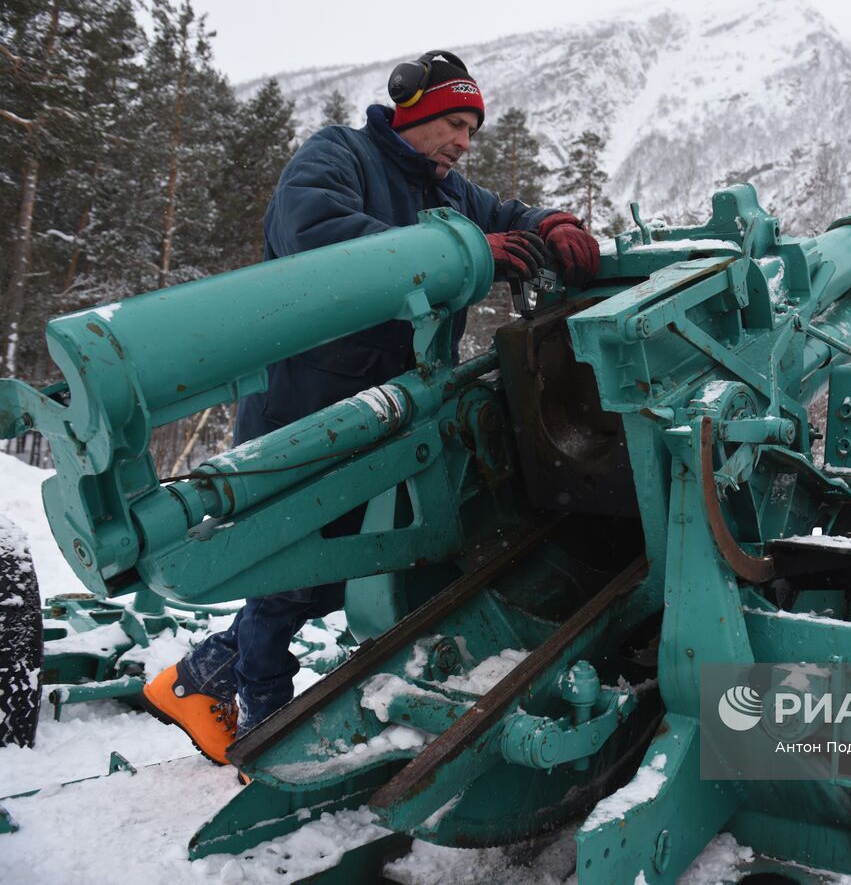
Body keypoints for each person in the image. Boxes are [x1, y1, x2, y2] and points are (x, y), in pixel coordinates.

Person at [139, 51, 600, 765]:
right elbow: (313, 234)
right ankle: (262, 714)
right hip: (311, 405)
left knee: (356, 565)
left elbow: (506, 215)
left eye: (473, 130)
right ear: (411, 111)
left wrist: (554, 221)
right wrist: (464, 248)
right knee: (300, 562)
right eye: (453, 123)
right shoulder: (339, 155)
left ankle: (206, 673)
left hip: (390, 414)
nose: (464, 143)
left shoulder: (445, 189)